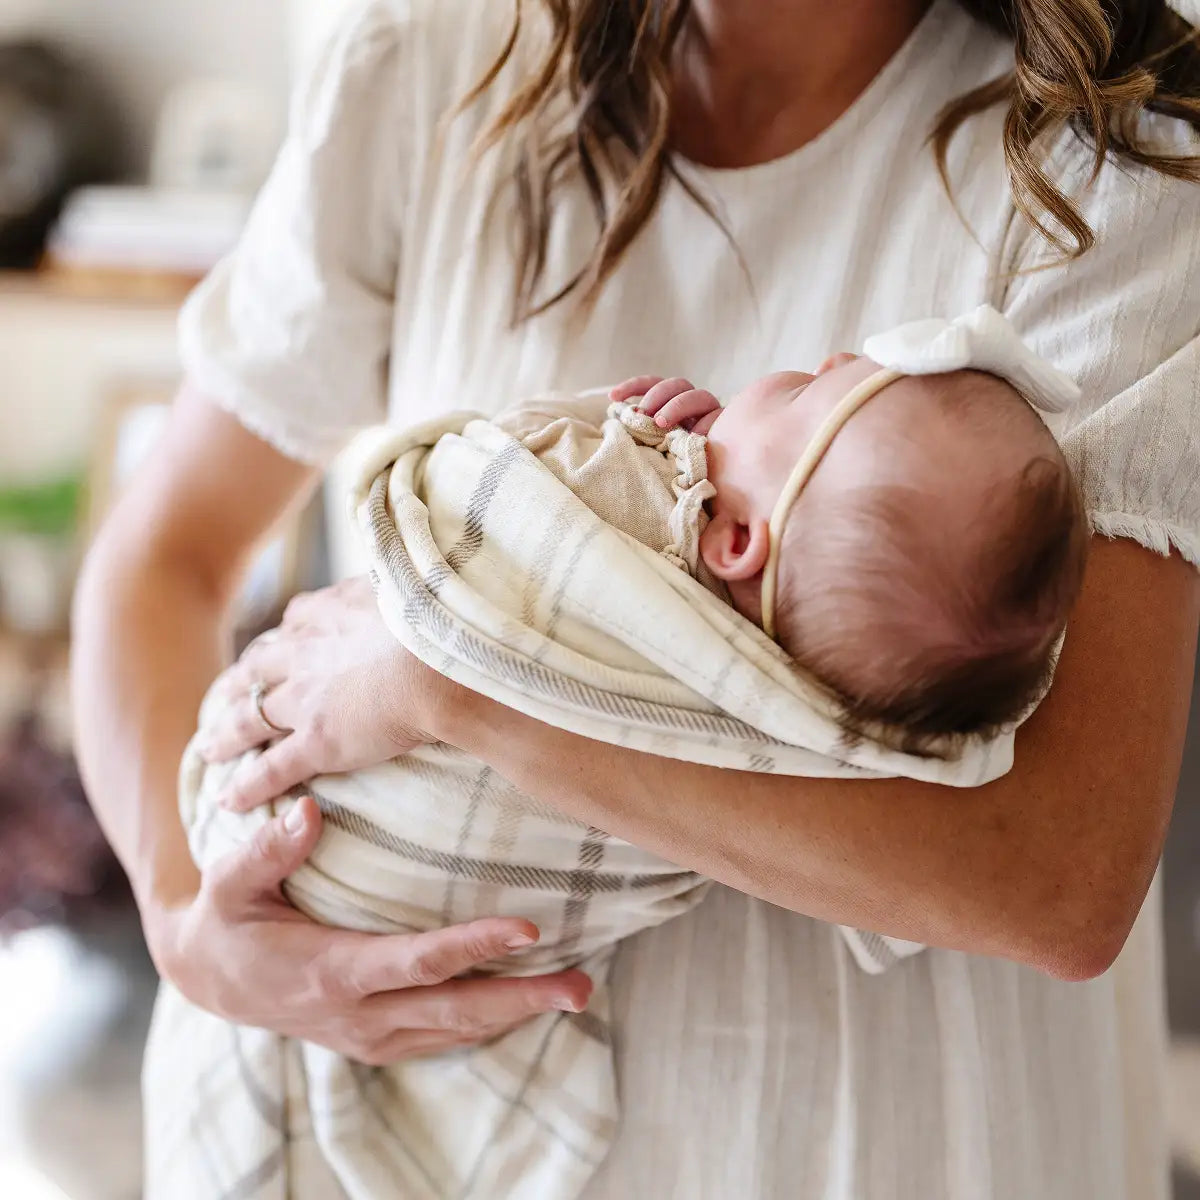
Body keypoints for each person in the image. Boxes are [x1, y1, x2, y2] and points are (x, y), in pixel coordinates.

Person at [72, 1, 1200, 1197]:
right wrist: (190, 924)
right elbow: (162, 562)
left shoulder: (1121, 156)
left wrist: (457, 692)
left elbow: (1061, 884)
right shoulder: (430, 63)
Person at [153, 315, 1085, 1197]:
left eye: (800, 395)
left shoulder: (677, 624)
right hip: (252, 942)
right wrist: (180, 934)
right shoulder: (809, 717)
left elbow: (497, 495)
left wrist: (626, 449)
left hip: (325, 832)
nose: (828, 356)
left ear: (730, 540)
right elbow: (154, 558)